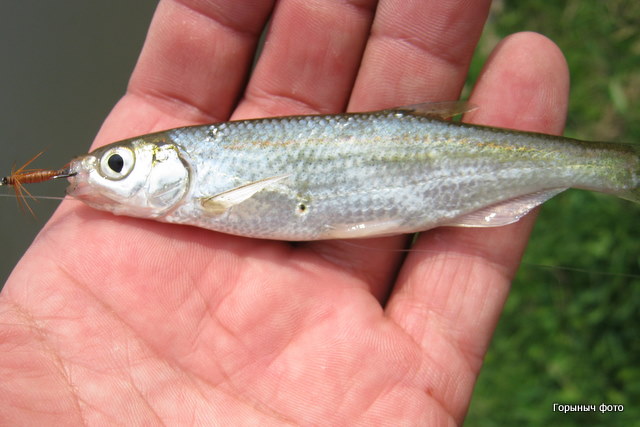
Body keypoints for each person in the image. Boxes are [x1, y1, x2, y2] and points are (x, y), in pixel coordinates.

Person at [0, 0, 569, 424]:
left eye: (116, 166)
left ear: (172, 164)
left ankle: (596, 167)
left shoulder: (200, 190)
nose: (99, 177)